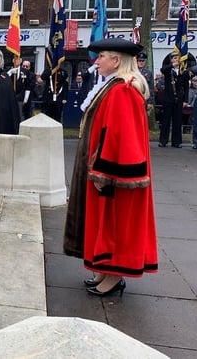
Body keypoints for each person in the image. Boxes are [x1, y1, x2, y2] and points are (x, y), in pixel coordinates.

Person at [64, 37, 157, 297]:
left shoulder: (123, 90)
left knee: (114, 223)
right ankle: (104, 269)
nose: (97, 61)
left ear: (116, 60)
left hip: (111, 173)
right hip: (101, 166)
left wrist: (104, 172)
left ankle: (115, 275)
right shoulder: (113, 86)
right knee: (103, 223)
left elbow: (121, 136)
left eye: (102, 56)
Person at [158, 52, 189, 148]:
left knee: (177, 121)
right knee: (166, 120)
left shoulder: (183, 71)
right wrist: (172, 65)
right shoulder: (168, 70)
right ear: (171, 60)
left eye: (178, 58)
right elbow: (162, 69)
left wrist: (185, 100)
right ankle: (163, 140)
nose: (176, 60)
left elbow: (186, 87)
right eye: (174, 58)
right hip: (168, 98)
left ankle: (176, 141)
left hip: (178, 99)